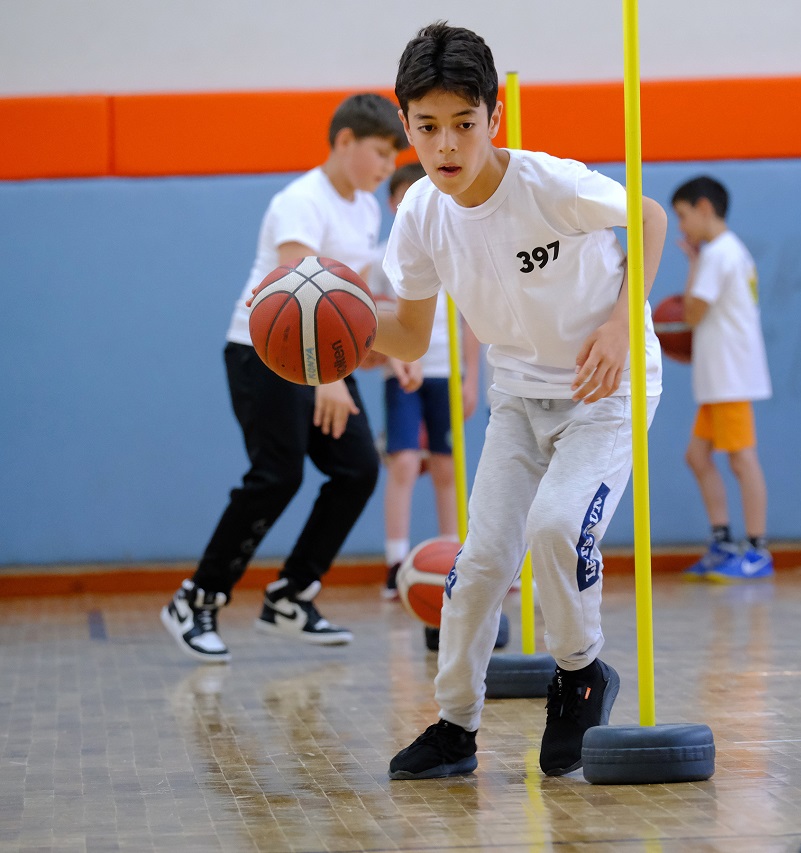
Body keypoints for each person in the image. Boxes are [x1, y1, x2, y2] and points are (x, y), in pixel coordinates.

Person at [371, 22, 667, 780]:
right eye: (428, 127)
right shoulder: (420, 217)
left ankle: (582, 673)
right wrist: (331, 341)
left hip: (609, 387)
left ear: (494, 118)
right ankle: (454, 728)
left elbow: (651, 216)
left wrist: (619, 323)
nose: (447, 146)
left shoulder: (548, 183)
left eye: (464, 125)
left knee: (558, 527)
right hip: (519, 399)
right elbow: (406, 331)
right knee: (476, 568)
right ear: (405, 124)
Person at [160, 93, 407, 663]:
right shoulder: (300, 202)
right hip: (262, 354)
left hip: (320, 362)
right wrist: (329, 376)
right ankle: (196, 598)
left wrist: (391, 350)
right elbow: (302, 289)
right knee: (277, 474)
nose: (387, 166)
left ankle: (291, 595)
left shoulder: (366, 208)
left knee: (357, 469)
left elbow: (354, 300)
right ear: (344, 142)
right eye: (378, 152)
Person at [365, 162, 481, 600]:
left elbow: (472, 322)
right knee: (405, 465)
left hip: (447, 374)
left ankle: (454, 559)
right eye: (400, 196)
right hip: (405, 376)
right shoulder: (380, 259)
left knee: (448, 467)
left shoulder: (456, 252)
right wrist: (394, 362)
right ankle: (396, 562)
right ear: (394, 204)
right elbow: (370, 318)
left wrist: (470, 380)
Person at [669, 176, 774, 582]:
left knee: (742, 459)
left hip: (730, 375)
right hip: (719, 377)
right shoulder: (728, 251)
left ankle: (758, 549)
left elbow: (692, 313)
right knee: (697, 456)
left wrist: (694, 265)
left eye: (682, 215)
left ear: (704, 208)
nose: (681, 226)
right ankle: (723, 543)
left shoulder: (718, 254)